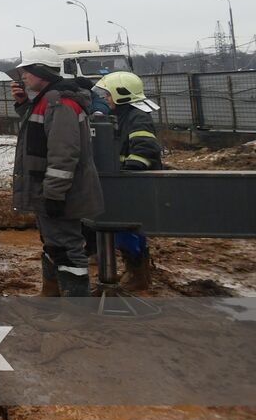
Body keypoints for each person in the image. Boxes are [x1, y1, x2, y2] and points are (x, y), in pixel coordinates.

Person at [11, 46, 104, 297]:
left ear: (41, 71)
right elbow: (38, 135)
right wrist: (22, 104)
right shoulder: (44, 100)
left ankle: (76, 310)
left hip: (60, 191)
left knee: (67, 248)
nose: (23, 77)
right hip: (47, 189)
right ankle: (50, 296)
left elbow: (64, 154)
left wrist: (54, 194)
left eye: (27, 71)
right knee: (53, 245)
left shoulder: (59, 103)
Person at [97, 71, 163, 288]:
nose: (106, 99)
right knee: (125, 230)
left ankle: (138, 275)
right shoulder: (125, 115)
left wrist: (130, 169)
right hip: (128, 182)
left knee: (129, 231)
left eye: (109, 95)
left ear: (121, 94)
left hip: (135, 183)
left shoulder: (137, 116)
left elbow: (145, 147)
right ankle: (135, 271)